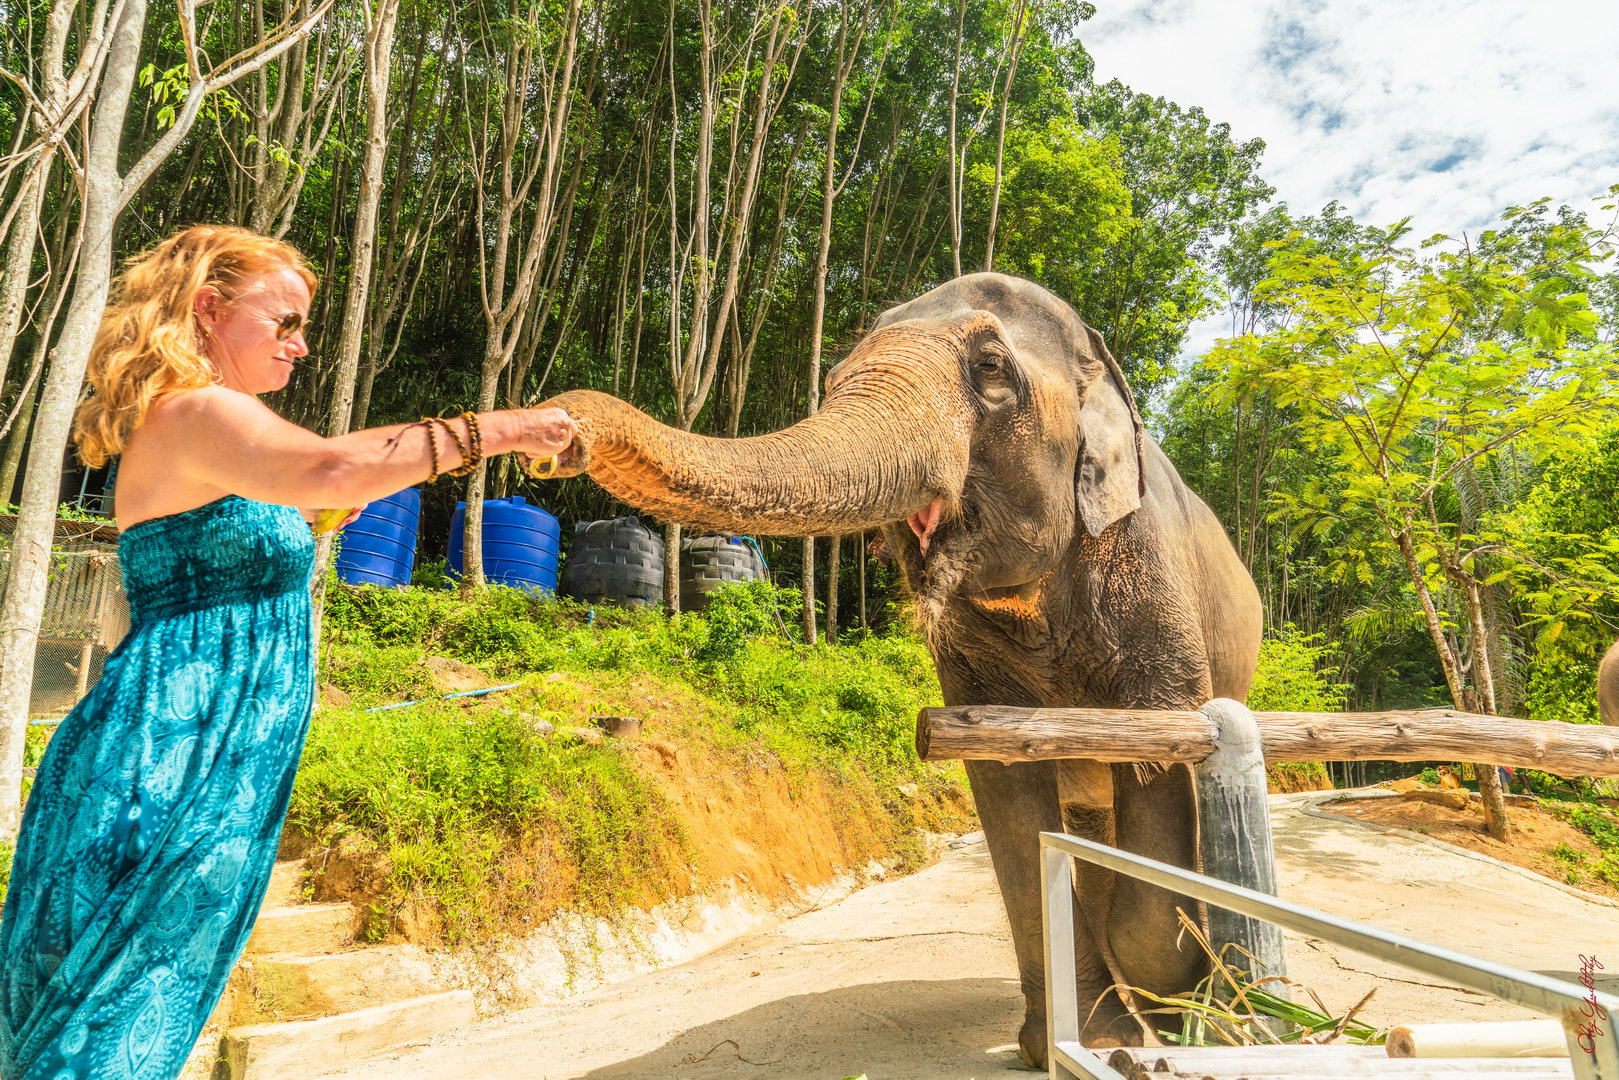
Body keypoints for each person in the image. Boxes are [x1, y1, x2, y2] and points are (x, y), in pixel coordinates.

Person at [0, 224, 576, 1080]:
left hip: (207, 752)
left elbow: (289, 505)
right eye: (285, 322)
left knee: (134, 1000)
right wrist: (501, 428)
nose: (301, 344)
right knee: (115, 1006)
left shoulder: (210, 427)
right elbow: (333, 471)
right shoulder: (198, 409)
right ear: (208, 311)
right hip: (171, 753)